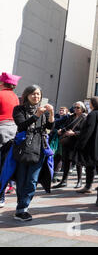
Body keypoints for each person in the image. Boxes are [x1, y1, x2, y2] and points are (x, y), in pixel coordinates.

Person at [12, 85, 54, 221]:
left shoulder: (43, 110)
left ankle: (23, 208)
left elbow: (49, 128)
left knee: (32, 180)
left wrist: (51, 114)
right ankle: (20, 207)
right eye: (33, 94)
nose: (36, 97)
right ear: (27, 95)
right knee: (22, 180)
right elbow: (21, 125)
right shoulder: (19, 109)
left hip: (39, 149)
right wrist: (37, 115)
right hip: (23, 149)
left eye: (38, 94)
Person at [74, 97, 98, 194]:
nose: (89, 105)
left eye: (90, 103)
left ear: (93, 104)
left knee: (90, 166)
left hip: (92, 144)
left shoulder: (92, 114)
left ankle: (88, 186)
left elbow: (88, 130)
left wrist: (81, 144)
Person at [52, 102, 87, 189]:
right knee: (66, 161)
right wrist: (61, 130)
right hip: (68, 142)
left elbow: (86, 131)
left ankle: (79, 181)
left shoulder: (85, 118)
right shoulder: (71, 117)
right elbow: (68, 126)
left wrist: (74, 133)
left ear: (82, 109)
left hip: (78, 141)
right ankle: (64, 181)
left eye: (78, 107)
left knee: (78, 161)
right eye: (74, 107)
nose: (75, 109)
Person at [0, 72, 21, 208]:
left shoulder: (1, 94)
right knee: (4, 165)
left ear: (2, 83)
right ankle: (1, 195)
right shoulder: (15, 97)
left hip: (1, 128)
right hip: (12, 130)